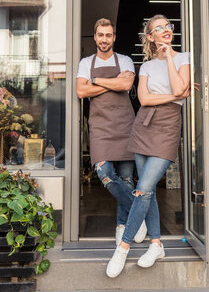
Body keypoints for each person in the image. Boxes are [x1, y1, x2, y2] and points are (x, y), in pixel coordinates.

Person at [106, 14, 190, 278]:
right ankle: (156, 244)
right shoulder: (146, 66)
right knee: (148, 190)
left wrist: (168, 59)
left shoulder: (183, 58)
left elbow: (180, 86)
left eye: (168, 26)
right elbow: (144, 99)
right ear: (150, 37)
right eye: (158, 29)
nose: (165, 30)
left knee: (142, 189)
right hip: (143, 126)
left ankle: (123, 247)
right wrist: (176, 95)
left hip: (167, 128)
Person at [76, 18, 147, 246]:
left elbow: (126, 85)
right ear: (95, 37)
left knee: (126, 179)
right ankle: (138, 213)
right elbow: (80, 90)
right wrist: (111, 81)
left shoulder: (125, 59)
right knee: (104, 173)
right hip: (100, 127)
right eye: (100, 35)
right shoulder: (86, 62)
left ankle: (123, 227)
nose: (104, 39)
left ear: (113, 37)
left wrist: (94, 81)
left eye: (108, 35)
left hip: (125, 125)